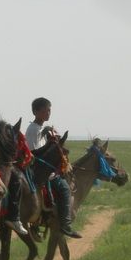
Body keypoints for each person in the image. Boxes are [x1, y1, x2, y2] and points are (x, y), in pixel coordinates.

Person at [26, 97, 81, 238]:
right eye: (45, 110)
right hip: (38, 167)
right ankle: (65, 224)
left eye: (49, 110)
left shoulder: (41, 128)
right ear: (36, 111)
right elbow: (35, 152)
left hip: (44, 165)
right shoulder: (33, 130)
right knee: (64, 187)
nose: (48, 113)